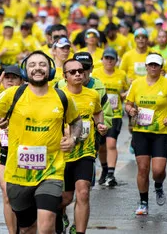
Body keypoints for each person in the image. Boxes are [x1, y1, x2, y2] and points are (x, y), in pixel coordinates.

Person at [0, 50, 82, 234]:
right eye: (32, 65)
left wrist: (73, 138)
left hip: (51, 171)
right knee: (26, 230)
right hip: (18, 174)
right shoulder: (12, 95)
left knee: (46, 224)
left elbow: (76, 121)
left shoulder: (62, 97)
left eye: (42, 64)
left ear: (50, 69)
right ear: (26, 71)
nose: (38, 68)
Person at [125, 53, 167, 215]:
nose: (153, 67)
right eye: (151, 65)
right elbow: (128, 104)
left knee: (158, 171)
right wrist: (131, 110)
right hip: (140, 132)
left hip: (160, 132)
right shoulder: (136, 84)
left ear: (161, 67)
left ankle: (158, 184)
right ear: (146, 67)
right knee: (143, 169)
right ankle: (143, 202)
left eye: (156, 65)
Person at [61, 58, 107, 234]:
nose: (78, 74)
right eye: (72, 72)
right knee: (65, 198)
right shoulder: (58, 95)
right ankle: (58, 216)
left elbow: (98, 111)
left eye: (80, 70)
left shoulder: (92, 94)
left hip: (85, 152)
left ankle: (79, 231)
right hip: (62, 155)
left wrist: (100, 125)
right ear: (65, 76)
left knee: (83, 193)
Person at [93, 48, 129, 186]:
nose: (109, 61)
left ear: (116, 60)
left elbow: (127, 90)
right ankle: (104, 169)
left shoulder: (121, 74)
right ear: (102, 59)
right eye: (106, 58)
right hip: (99, 115)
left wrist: (124, 95)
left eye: (111, 58)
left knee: (111, 143)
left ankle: (111, 174)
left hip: (115, 114)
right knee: (101, 147)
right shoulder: (96, 74)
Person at [0, 65, 23, 234]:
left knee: (24, 197)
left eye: (14, 77)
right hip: (3, 153)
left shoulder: (29, 98)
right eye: (7, 77)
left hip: (26, 153)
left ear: (21, 81)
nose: (10, 80)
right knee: (7, 194)